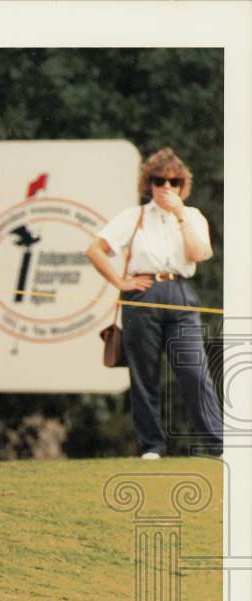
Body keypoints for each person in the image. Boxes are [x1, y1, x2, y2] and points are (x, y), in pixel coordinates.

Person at [85, 148, 223, 458]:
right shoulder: (132, 217)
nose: (166, 187)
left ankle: (217, 443)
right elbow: (94, 249)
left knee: (194, 371)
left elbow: (199, 254)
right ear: (149, 183)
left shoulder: (192, 217)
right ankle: (152, 446)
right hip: (142, 292)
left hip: (179, 292)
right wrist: (121, 283)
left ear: (181, 186)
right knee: (143, 374)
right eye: (159, 180)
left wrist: (179, 215)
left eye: (173, 182)